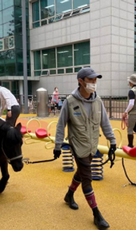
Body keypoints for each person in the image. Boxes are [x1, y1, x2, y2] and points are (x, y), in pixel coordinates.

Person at [53, 67, 116, 230]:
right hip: (77, 145)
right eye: (90, 80)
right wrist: (57, 145)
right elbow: (61, 124)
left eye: (95, 80)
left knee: (81, 172)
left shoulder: (98, 101)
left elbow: (105, 123)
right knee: (87, 180)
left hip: (91, 145)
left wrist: (112, 141)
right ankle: (97, 215)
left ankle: (69, 195)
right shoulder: (70, 102)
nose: (94, 83)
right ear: (81, 81)